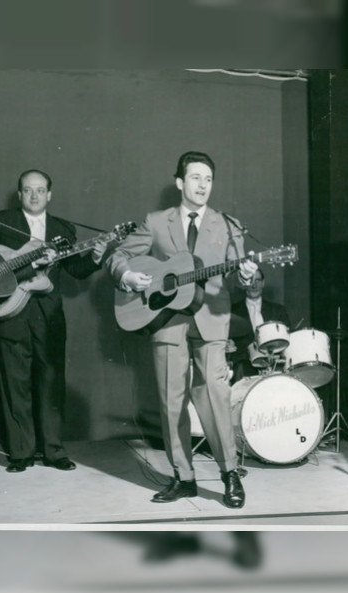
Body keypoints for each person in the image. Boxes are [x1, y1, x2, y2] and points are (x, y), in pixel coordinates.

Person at [107, 150, 258, 508]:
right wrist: (127, 275)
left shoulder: (228, 225)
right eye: (195, 177)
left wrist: (250, 277)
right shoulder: (157, 221)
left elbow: (244, 281)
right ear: (180, 182)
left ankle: (230, 474)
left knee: (215, 398)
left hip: (212, 319)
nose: (203, 184)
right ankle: (184, 477)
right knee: (171, 401)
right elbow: (118, 257)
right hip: (166, 320)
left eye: (208, 178)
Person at [0, 170, 106, 473]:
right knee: (14, 382)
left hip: (49, 314)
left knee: (52, 383)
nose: (35, 195)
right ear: (19, 194)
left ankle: (53, 450)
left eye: (40, 190)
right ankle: (20, 452)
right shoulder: (2, 220)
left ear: (50, 194)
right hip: (11, 310)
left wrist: (95, 257)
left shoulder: (62, 228)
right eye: (28, 190)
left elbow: (76, 271)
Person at [229, 268, 291, 382]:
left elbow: (288, 340)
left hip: (275, 366)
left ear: (263, 283)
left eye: (258, 280)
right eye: (250, 280)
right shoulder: (232, 312)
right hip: (244, 369)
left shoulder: (278, 310)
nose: (254, 285)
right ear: (243, 284)